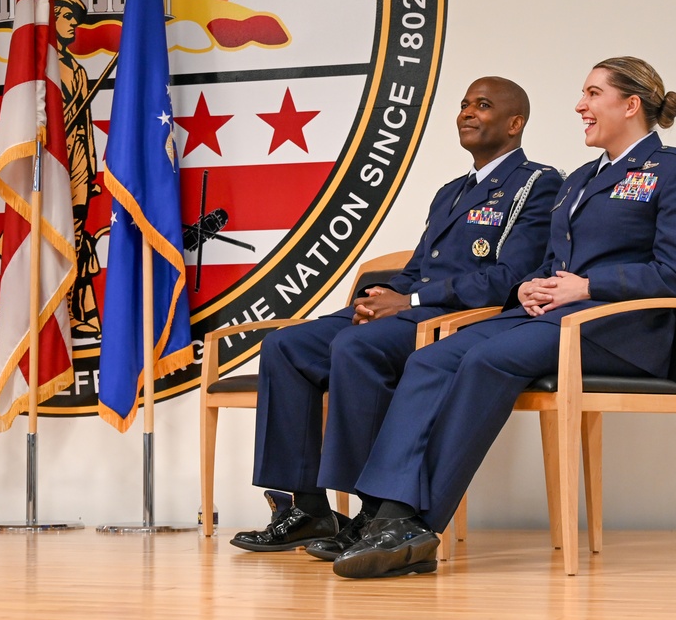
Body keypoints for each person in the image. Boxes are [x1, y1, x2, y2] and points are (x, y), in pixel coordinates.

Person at [330, 56, 676, 579]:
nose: (580, 105)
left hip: (620, 330)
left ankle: (419, 526)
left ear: (631, 105)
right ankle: (388, 512)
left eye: (594, 94)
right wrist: (533, 283)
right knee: (433, 358)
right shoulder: (579, 179)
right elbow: (555, 262)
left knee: (488, 358)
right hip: (555, 320)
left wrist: (587, 285)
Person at [230, 77, 564, 553]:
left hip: (458, 320)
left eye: (483, 105)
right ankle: (306, 508)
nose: (467, 112)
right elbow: (418, 270)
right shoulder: (451, 191)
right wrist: (381, 293)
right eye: (464, 104)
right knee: (285, 346)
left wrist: (408, 303)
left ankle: (371, 511)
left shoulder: (538, 182)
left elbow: (511, 276)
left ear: (515, 124)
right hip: (413, 310)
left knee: (357, 347)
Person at [54, 0, 101, 338]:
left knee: (78, 236)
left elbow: (85, 123)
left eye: (75, 19)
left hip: (80, 161)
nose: (74, 24)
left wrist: (93, 170)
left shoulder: (79, 70)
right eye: (68, 17)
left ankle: (73, 311)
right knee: (53, 236)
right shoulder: (39, 66)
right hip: (53, 162)